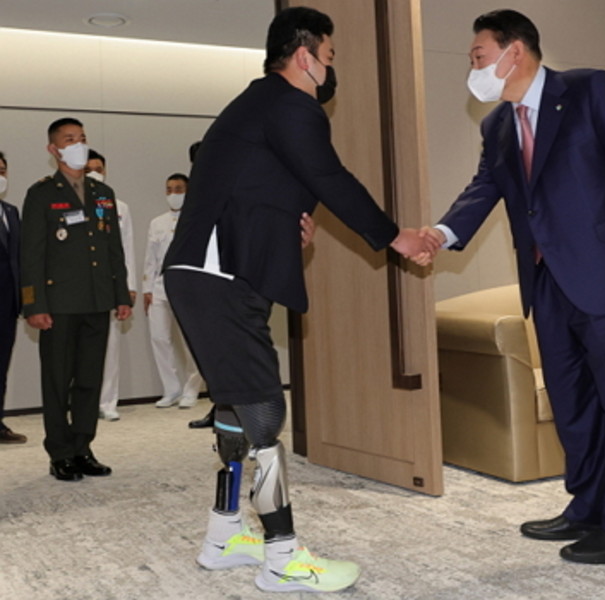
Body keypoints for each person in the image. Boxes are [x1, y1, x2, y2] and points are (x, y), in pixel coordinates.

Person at [161, 7, 432, 593]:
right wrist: (395, 237)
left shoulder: (258, 105)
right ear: (305, 56)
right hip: (218, 276)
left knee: (235, 409)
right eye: (329, 57)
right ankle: (282, 556)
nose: (330, 70)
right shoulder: (289, 104)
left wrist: (289, 221)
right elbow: (329, 176)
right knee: (264, 411)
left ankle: (223, 536)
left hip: (207, 275)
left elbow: (261, 183)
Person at [420, 8, 605, 565]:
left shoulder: (590, 89)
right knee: (573, 405)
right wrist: (439, 233)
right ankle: (589, 508)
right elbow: (485, 188)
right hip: (546, 282)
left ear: (515, 52)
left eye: (479, 56)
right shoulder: (496, 127)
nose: (474, 68)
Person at [21, 118, 133, 481]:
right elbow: (31, 256)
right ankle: (60, 453)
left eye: (82, 138)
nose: (78, 144)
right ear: (53, 150)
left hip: (97, 300)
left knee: (89, 379)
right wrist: (34, 305)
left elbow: (114, 249)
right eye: (69, 139)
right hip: (58, 305)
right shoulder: (42, 193)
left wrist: (120, 295)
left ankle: (83, 447)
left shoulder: (103, 193)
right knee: (57, 381)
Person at [84, 150, 137, 421]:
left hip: (110, 284)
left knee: (111, 346)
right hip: (81, 286)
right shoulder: (71, 203)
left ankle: (108, 402)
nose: (95, 173)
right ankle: (85, 402)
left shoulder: (119, 206)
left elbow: (126, 247)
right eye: (89, 169)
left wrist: (129, 286)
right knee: (82, 349)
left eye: (99, 169)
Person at [143, 173, 203, 410]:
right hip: (159, 287)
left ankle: (191, 389)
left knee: (191, 341)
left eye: (178, 189)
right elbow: (150, 258)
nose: (173, 194)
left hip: (188, 288)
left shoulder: (196, 220)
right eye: (169, 189)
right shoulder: (157, 223)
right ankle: (171, 388)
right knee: (159, 338)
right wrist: (147, 288)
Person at [0, 152, 24, 444]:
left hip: (8, 304)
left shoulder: (11, 212)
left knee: (1, 366)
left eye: (3, 170)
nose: (1, 176)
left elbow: (20, 258)